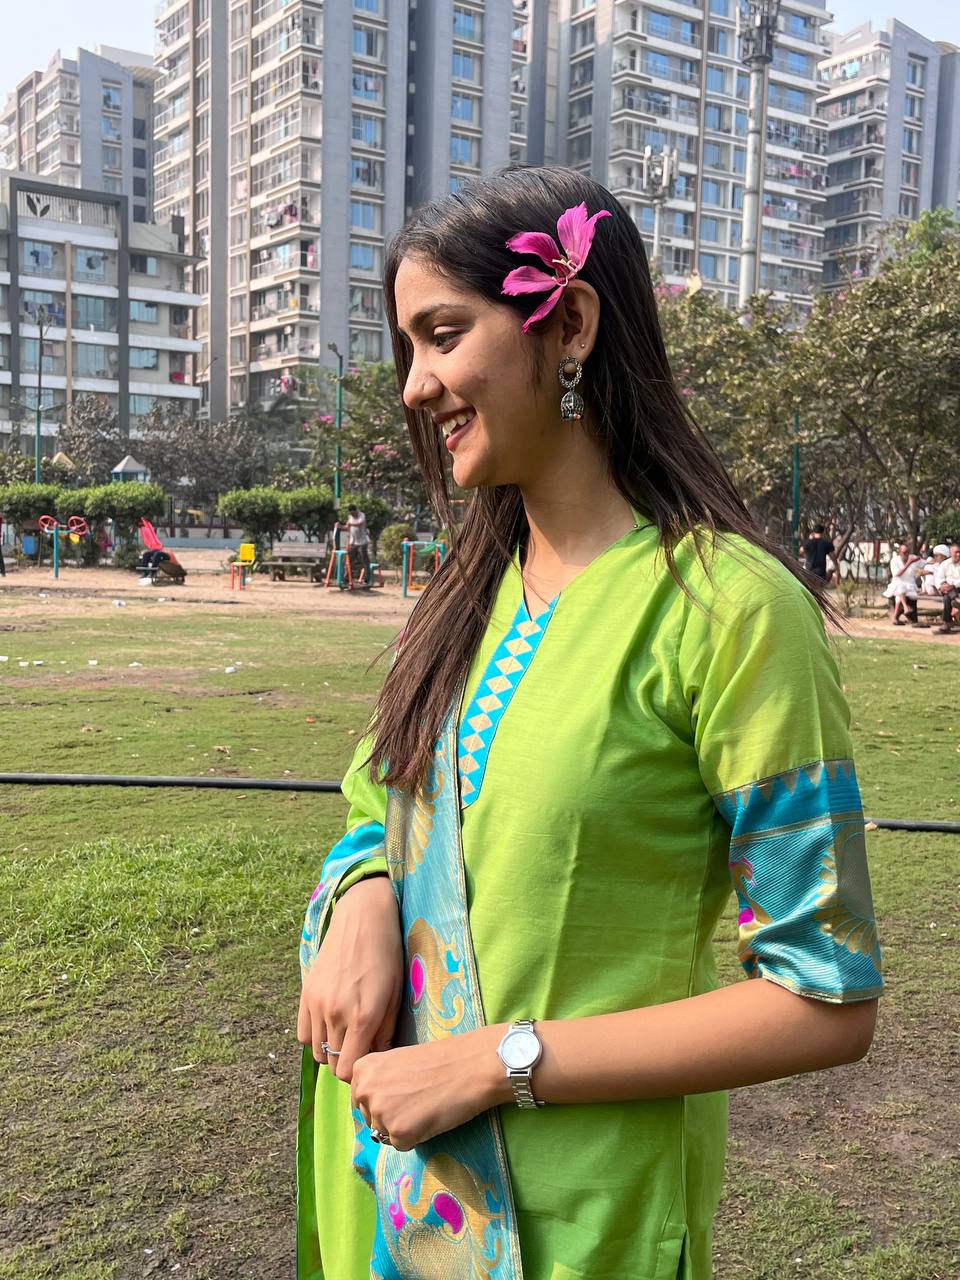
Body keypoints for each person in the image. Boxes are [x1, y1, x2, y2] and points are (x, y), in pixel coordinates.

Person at [296, 167, 882, 1280]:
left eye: (442, 335)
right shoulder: (468, 598)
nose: (415, 385)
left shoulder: (730, 610)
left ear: (568, 323)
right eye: (406, 348)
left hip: (586, 1223)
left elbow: (824, 995)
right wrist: (362, 900)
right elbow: (379, 799)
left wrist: (497, 1061)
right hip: (403, 1195)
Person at [883, 542, 922, 625]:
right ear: (899, 552)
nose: (906, 554)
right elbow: (898, 574)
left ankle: (896, 617)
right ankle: (905, 607)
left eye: (908, 552)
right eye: (904, 552)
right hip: (897, 584)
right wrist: (909, 563)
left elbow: (923, 561)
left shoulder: (912, 558)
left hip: (910, 586)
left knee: (900, 593)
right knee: (900, 587)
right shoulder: (894, 561)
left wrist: (919, 559)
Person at [936, 543, 960, 634]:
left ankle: (947, 622)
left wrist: (953, 584)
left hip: (957, 589)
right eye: (956, 552)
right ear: (950, 553)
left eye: (959, 552)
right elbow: (938, 580)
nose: (958, 554)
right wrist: (941, 586)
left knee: (947, 598)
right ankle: (957, 600)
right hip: (947, 590)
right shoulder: (944, 564)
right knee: (948, 592)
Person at [345, 504, 371, 586]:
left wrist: (350, 524)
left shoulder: (362, 515)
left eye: (353, 513)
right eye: (350, 513)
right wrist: (339, 526)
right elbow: (347, 527)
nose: (352, 515)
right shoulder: (350, 517)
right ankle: (347, 577)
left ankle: (367, 579)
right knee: (349, 560)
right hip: (353, 542)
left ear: (356, 510)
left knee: (364, 561)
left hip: (362, 542)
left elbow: (360, 523)